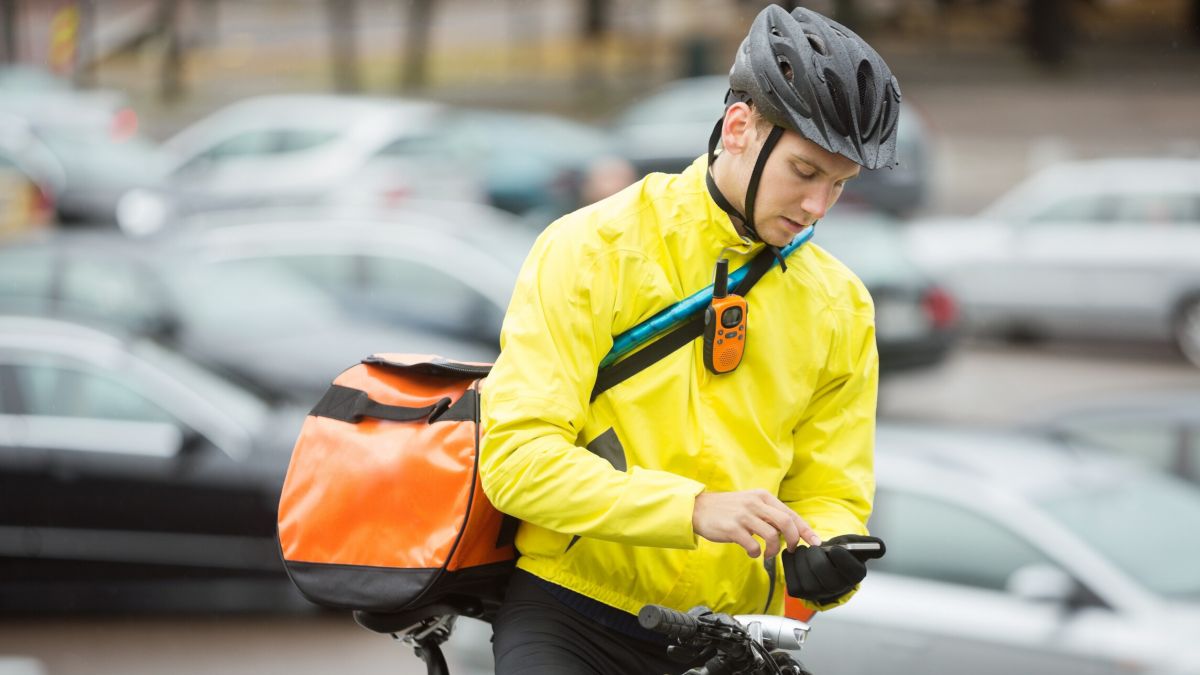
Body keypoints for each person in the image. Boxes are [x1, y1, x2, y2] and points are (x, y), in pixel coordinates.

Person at [479, 4, 902, 673]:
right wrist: (693, 508)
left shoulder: (841, 304)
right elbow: (517, 461)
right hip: (571, 615)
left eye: (839, 185)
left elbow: (831, 491)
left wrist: (829, 558)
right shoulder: (592, 248)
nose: (818, 207)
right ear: (739, 128)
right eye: (804, 172)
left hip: (725, 639)